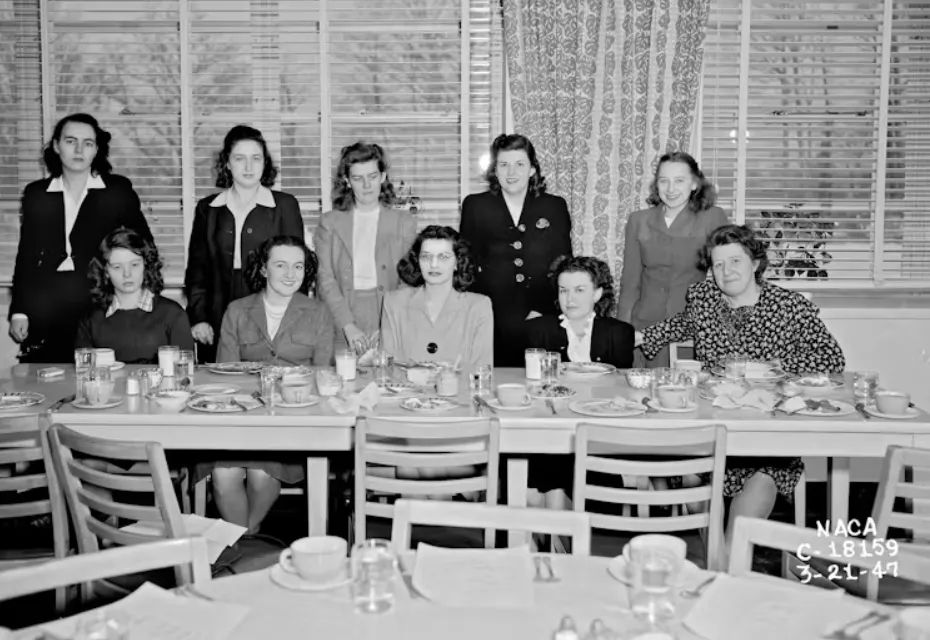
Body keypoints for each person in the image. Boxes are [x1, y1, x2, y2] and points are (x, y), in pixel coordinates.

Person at [637, 224, 845, 562]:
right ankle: (722, 565)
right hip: (713, 426)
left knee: (764, 474)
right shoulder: (703, 298)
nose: (726, 271)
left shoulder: (788, 306)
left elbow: (831, 358)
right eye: (718, 264)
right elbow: (681, 324)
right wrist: (632, 336)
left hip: (766, 430)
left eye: (735, 261)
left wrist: (772, 366)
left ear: (756, 263)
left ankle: (725, 565)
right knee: (690, 471)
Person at [203, 235, 333, 534]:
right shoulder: (237, 310)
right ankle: (248, 537)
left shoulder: (319, 312)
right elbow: (225, 374)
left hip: (293, 419)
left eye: (298, 266)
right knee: (223, 476)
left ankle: (241, 539)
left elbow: (321, 376)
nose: (290, 274)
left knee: (261, 476)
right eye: (280, 265)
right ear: (263, 269)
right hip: (241, 416)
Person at [9, 113, 152, 363]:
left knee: (102, 373)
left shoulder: (116, 190)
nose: (78, 150)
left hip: (101, 298)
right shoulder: (37, 194)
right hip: (49, 304)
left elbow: (144, 245)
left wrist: (143, 295)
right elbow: (27, 256)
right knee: (48, 375)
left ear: (96, 149)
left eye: (87, 143)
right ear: (56, 146)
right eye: (70, 141)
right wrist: (20, 311)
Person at [184, 125, 304, 363]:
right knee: (222, 378)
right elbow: (198, 269)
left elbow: (298, 269)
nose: (248, 167)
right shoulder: (208, 209)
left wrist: (292, 319)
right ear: (227, 163)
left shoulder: (285, 205)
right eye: (240, 158)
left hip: (270, 309)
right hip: (218, 310)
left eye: (256, 158)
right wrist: (199, 317)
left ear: (265, 163)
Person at [460, 133, 572, 367]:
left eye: (519, 164)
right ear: (495, 170)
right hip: (491, 318)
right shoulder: (475, 206)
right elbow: (466, 267)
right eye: (504, 165)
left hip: (541, 317)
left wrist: (543, 310)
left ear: (532, 169)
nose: (511, 172)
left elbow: (563, 266)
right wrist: (479, 313)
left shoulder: (554, 206)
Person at [616, 151, 729, 368]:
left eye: (679, 181)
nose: (670, 189)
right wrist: (622, 330)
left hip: (690, 325)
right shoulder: (638, 220)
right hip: (644, 325)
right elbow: (630, 282)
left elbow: (725, 274)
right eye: (664, 181)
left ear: (694, 184)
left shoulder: (712, 217)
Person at [315, 142, 418, 357]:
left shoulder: (404, 222)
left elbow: (408, 280)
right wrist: (348, 325)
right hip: (341, 312)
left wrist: (387, 325)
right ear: (347, 181)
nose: (367, 185)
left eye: (372, 176)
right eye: (357, 178)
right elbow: (325, 278)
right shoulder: (329, 222)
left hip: (389, 311)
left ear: (383, 177)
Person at [381, 225, 493, 368]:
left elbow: (482, 371)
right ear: (417, 261)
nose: (433, 264)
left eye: (443, 257)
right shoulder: (393, 303)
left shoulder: (478, 307)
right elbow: (387, 369)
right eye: (426, 257)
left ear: (457, 262)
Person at [76, 228, 193, 363]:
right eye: (117, 267)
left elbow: (185, 371)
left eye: (134, 265)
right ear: (106, 272)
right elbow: (83, 371)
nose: (127, 274)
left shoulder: (173, 314)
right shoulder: (91, 319)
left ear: (145, 265)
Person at [526, 255, 635, 369]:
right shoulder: (537, 331)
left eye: (579, 290)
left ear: (597, 294)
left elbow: (620, 378)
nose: (569, 298)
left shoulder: (619, 333)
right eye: (563, 291)